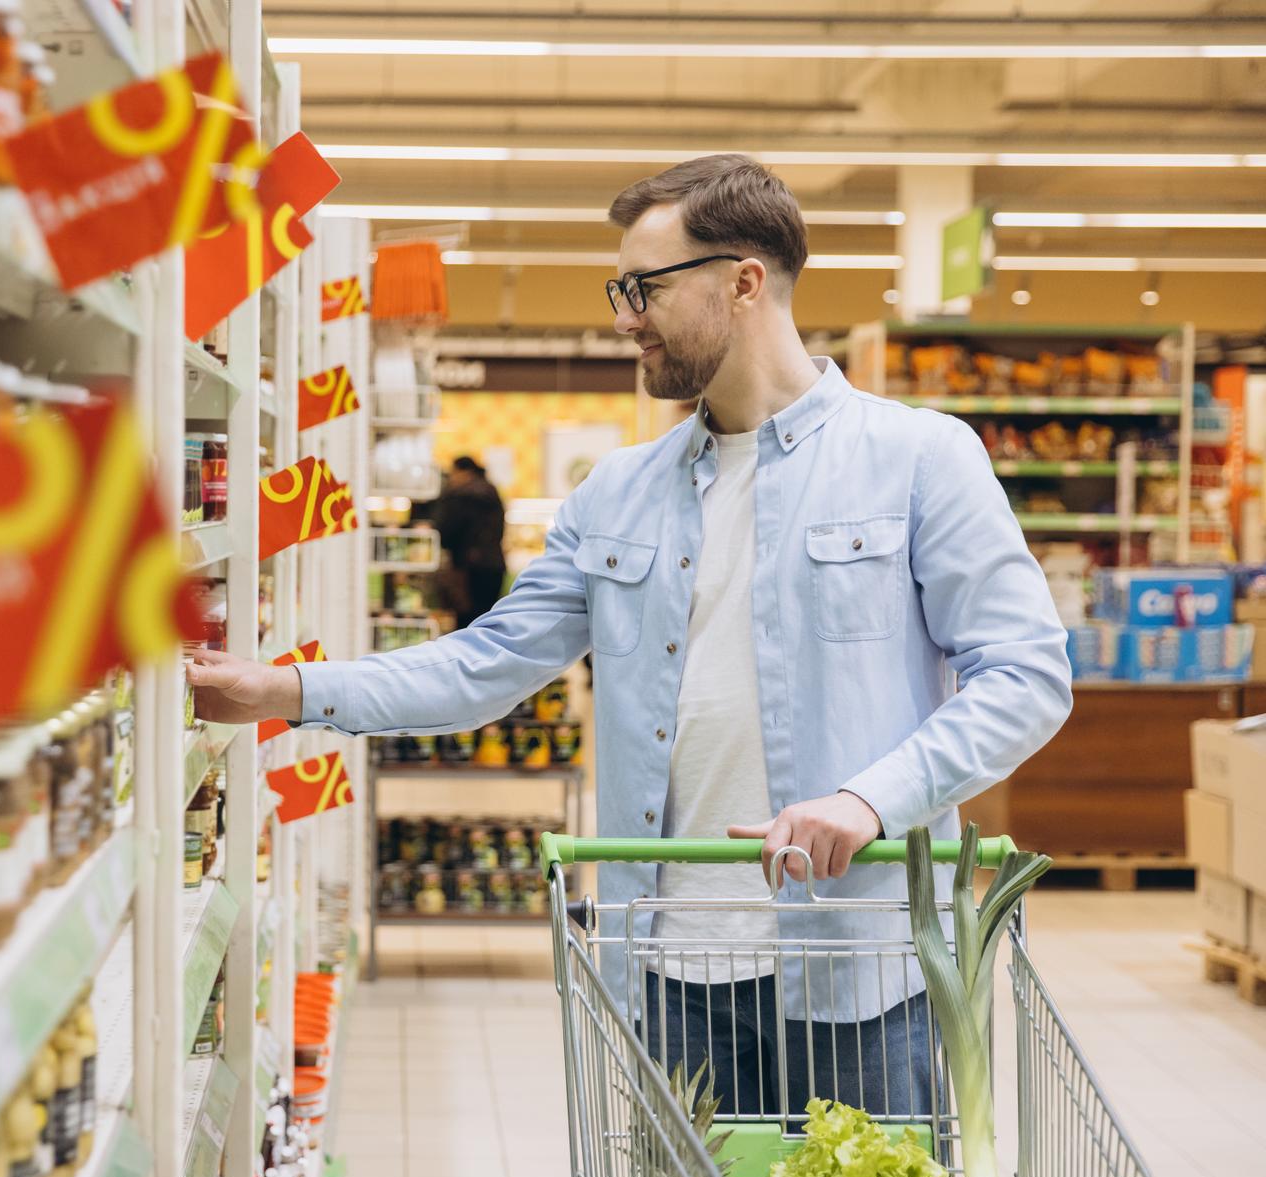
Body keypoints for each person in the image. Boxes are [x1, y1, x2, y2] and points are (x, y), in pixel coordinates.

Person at [188, 154, 1071, 1120]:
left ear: (742, 282)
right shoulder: (616, 494)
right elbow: (485, 665)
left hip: (856, 970)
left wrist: (869, 799)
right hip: (672, 969)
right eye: (621, 290)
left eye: (643, 289)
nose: (623, 318)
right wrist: (283, 692)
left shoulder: (919, 460)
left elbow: (1026, 676)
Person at [428, 455, 507, 628]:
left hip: (468, 568)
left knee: (467, 621)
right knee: (486, 619)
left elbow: (447, 531)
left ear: (462, 472)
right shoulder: (490, 490)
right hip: (494, 565)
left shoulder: (460, 495)